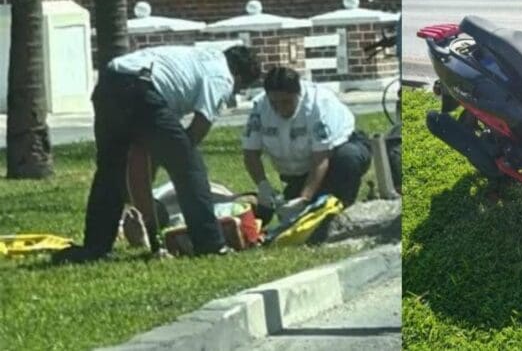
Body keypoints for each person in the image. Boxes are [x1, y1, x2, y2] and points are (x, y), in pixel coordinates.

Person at [52, 44, 261, 264]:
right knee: (189, 167)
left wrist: (153, 166)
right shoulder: (222, 76)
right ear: (238, 75)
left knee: (110, 172)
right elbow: (196, 131)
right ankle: (210, 243)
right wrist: (173, 156)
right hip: (142, 91)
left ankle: (95, 248)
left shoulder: (198, 56)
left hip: (110, 83)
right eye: (238, 88)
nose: (233, 94)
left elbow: (148, 144)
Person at [242, 67, 371, 222]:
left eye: (286, 102)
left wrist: (305, 198)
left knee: (347, 158)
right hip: (302, 169)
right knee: (293, 215)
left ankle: (342, 212)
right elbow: (250, 153)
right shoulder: (260, 107)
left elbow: (321, 159)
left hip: (339, 153)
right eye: (274, 103)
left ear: (298, 94)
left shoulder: (317, 104)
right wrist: (263, 185)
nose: (280, 109)